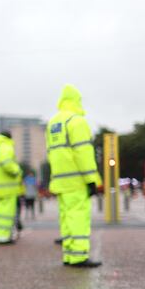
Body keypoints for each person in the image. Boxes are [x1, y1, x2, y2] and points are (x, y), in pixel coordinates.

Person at [46, 84, 102, 267]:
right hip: (77, 180)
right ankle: (78, 256)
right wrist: (92, 179)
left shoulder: (53, 123)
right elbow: (83, 153)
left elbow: (51, 154)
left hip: (60, 181)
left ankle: (69, 255)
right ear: (76, 100)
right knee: (79, 217)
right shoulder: (76, 122)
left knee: (67, 218)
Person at [0, 131, 22, 244]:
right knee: (7, 214)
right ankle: (5, 237)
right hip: (8, 187)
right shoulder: (6, 146)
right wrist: (17, 170)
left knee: (1, 215)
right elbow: (7, 163)